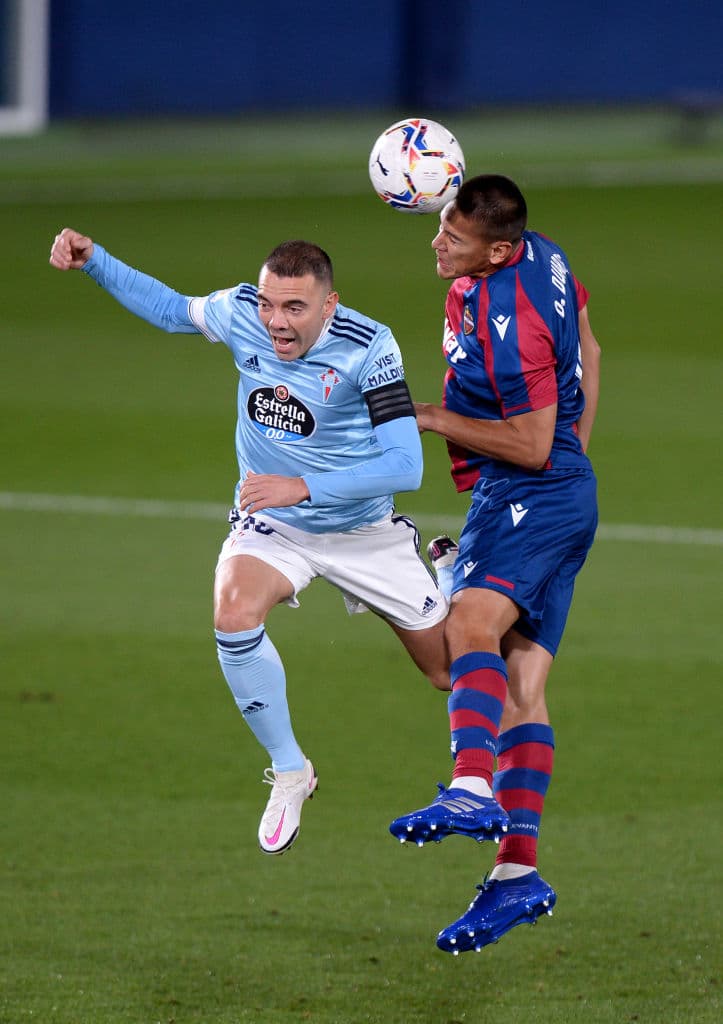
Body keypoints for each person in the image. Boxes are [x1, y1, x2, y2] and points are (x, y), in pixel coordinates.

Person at [49, 228, 450, 856]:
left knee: (448, 672)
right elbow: (171, 309)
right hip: (275, 520)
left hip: (361, 529)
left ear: (330, 304)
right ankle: (290, 769)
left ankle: (449, 574)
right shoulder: (240, 313)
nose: (276, 322)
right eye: (268, 304)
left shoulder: (370, 346)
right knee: (233, 612)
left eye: (294, 308)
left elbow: (406, 466)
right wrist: (95, 261)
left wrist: (303, 486)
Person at [388, 174, 600, 953]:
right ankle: (516, 875)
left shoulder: (511, 319)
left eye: (453, 237)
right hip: (557, 494)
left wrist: (427, 416)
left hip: (528, 492)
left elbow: (532, 445)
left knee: (462, 633)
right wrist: (577, 457)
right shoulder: (544, 256)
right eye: (442, 227)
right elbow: (589, 345)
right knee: (520, 689)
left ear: (499, 251)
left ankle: (472, 786)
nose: (437, 242)